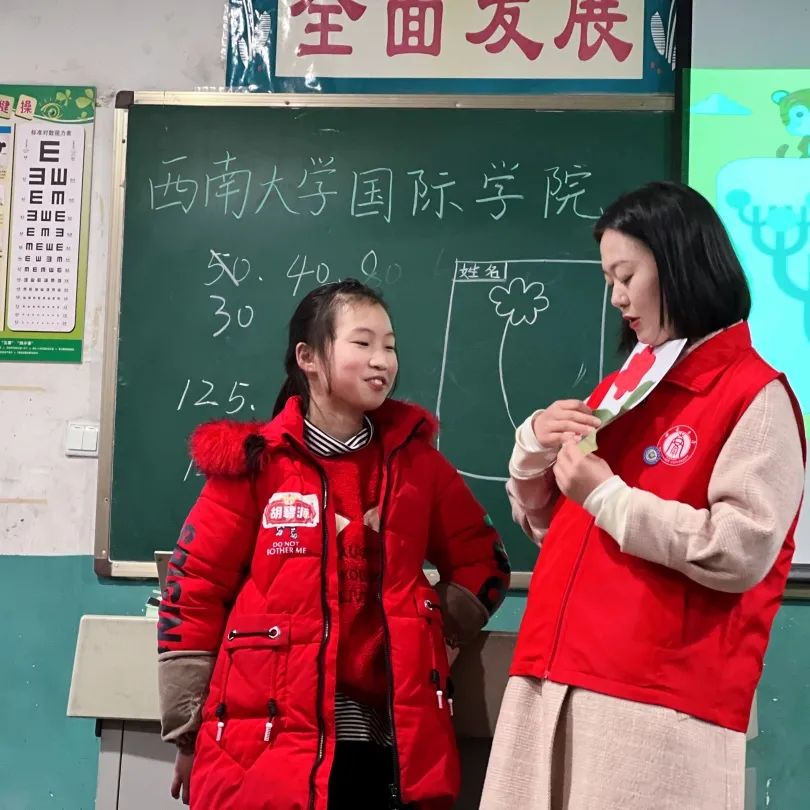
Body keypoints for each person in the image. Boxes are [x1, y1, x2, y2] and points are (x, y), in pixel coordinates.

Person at [480, 181, 806, 810]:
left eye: (626, 275)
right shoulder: (623, 387)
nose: (616, 297)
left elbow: (741, 549)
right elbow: (558, 529)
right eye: (609, 279)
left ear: (680, 264)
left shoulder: (754, 394)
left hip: (654, 700)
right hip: (550, 672)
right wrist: (533, 453)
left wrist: (608, 496)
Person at [157, 279, 510, 810]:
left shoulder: (418, 466)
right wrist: (188, 733)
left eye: (390, 346)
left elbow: (483, 561)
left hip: (389, 745)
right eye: (362, 343)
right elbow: (194, 590)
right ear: (308, 358)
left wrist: (436, 633)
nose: (382, 360)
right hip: (269, 747)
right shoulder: (257, 464)